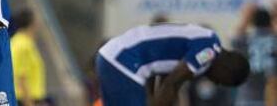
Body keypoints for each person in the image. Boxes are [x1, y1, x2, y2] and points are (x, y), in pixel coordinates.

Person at [96, 23, 250, 106]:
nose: (215, 82)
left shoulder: (209, 40)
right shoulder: (209, 51)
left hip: (116, 57)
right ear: (227, 69)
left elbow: (160, 75)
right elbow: (173, 83)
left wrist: (150, 98)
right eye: (222, 81)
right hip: (124, 61)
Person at [232, 4, 277, 106]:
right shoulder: (274, 40)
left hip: (247, 98)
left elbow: (235, 39)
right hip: (271, 99)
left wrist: (246, 19)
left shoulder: (245, 40)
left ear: (252, 22)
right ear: (270, 22)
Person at [10, 10, 49, 106]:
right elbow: (21, 76)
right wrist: (29, 103)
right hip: (26, 99)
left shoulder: (17, 41)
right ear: (32, 23)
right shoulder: (24, 45)